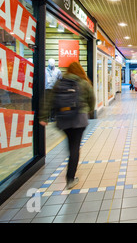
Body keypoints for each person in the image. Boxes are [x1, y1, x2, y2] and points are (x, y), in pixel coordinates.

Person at [40, 61, 96, 190]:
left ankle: (70, 169)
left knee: (70, 145)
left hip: (63, 118)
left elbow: (49, 100)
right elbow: (91, 98)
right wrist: (89, 110)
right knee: (75, 147)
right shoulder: (84, 82)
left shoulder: (60, 82)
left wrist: (43, 117)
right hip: (79, 118)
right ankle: (70, 178)